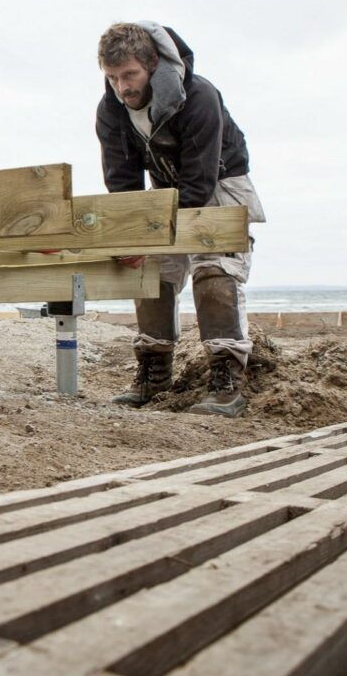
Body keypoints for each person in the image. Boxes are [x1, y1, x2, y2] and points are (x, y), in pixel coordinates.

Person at [95, 22, 265, 417]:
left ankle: (226, 381)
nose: (123, 87)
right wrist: (135, 239)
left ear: (153, 64)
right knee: (152, 272)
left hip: (218, 184)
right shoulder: (111, 110)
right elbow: (121, 181)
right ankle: (154, 375)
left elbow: (200, 180)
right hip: (164, 190)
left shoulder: (199, 96)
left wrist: (162, 232)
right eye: (113, 78)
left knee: (214, 272)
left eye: (130, 75)